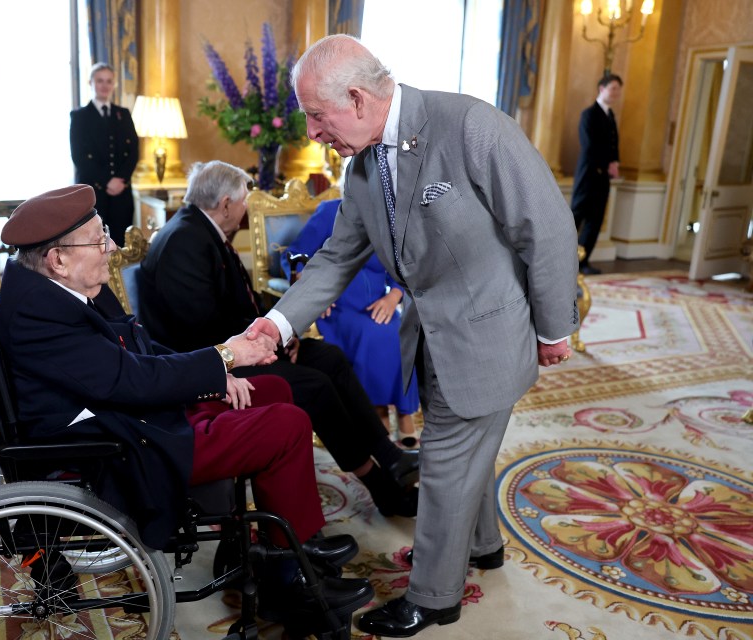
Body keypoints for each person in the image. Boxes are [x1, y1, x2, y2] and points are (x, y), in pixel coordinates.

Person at [249, 35, 579, 636]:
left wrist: (555, 326)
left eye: (316, 117)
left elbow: (548, 226)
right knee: (467, 447)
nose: (313, 133)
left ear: (355, 98)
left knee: (448, 460)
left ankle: (433, 596)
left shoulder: (471, 126)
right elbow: (334, 258)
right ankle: (484, 549)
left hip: (488, 333)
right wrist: (275, 323)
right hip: (427, 337)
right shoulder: (362, 165)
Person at [0, 184, 373, 622]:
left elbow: (139, 346)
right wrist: (223, 358)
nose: (111, 246)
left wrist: (216, 372)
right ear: (58, 259)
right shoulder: (42, 317)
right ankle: (287, 580)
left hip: (129, 415)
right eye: (98, 240)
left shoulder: (59, 290)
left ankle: (285, 541)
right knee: (287, 424)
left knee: (274, 390)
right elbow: (129, 377)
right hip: (117, 449)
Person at [136, 161, 421, 519]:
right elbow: (198, 331)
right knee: (314, 385)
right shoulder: (184, 241)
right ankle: (379, 484)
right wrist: (263, 346)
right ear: (225, 204)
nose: (245, 210)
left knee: (329, 357)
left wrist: (283, 334)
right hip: (208, 369)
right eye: (242, 202)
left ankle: (390, 456)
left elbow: (238, 308)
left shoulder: (199, 232)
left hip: (235, 348)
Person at [283, 198, 420, 447]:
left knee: (402, 330)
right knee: (373, 335)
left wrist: (394, 295)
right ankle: (377, 411)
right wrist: (307, 286)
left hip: (379, 302)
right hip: (337, 306)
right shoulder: (329, 211)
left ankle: (404, 412)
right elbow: (295, 255)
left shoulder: (388, 211)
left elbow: (402, 264)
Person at [70, 62, 139, 247]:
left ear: (114, 84)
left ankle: (118, 278)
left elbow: (133, 151)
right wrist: (108, 181)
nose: (104, 85)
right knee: (92, 245)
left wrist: (121, 179)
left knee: (120, 246)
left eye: (109, 81)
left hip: (121, 194)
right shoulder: (80, 117)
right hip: (92, 193)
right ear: (91, 83)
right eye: (100, 80)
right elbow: (79, 157)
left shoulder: (123, 114)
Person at [572, 73, 622, 276]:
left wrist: (615, 162)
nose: (617, 93)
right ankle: (558, 259)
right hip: (588, 175)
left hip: (603, 178)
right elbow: (588, 146)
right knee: (576, 217)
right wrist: (606, 163)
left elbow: (614, 143)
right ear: (601, 89)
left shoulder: (610, 115)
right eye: (613, 88)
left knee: (596, 220)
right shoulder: (589, 114)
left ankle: (581, 261)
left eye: (619, 89)